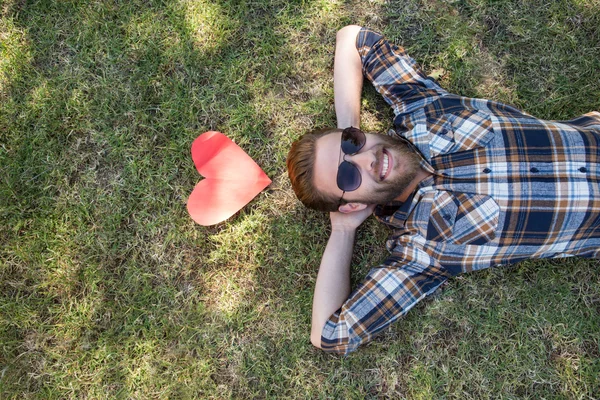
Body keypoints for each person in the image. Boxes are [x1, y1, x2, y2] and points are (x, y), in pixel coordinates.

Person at [286, 25, 600, 355]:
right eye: (348, 176)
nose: (367, 158)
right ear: (349, 204)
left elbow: (352, 39)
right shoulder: (421, 252)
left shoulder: (421, 108)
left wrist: (348, 126)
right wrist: (343, 230)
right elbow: (329, 334)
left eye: (353, 143)